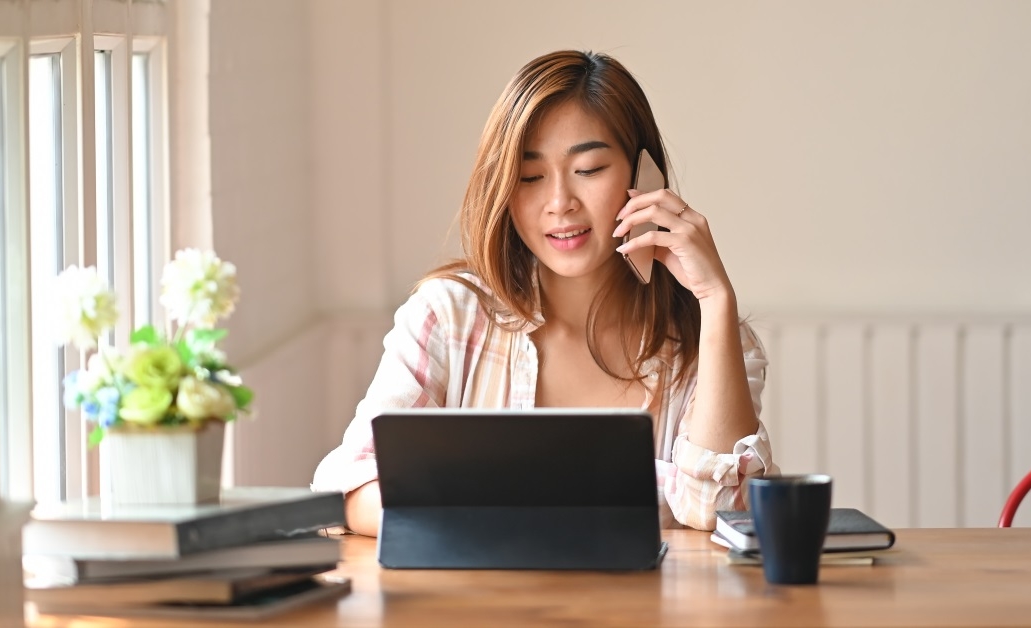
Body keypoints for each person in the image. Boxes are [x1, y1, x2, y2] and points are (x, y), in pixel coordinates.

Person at [311, 49, 778, 536]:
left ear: (644, 176)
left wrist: (716, 300)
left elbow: (721, 510)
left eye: (590, 169)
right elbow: (347, 488)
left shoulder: (712, 343)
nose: (560, 203)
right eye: (531, 177)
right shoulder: (448, 317)